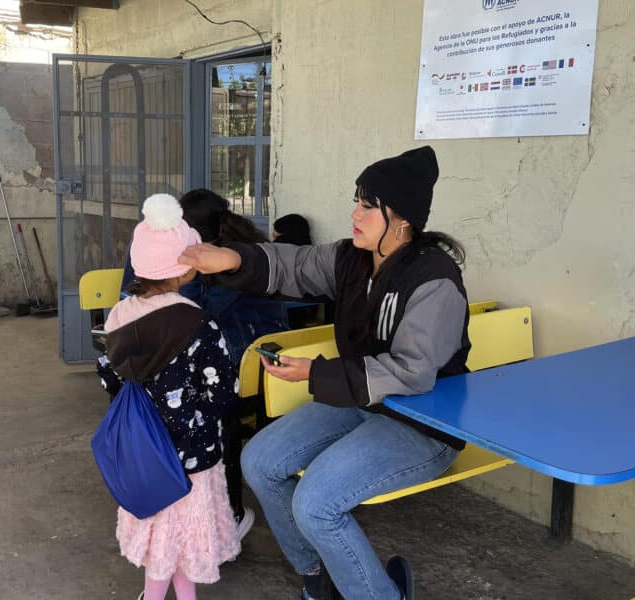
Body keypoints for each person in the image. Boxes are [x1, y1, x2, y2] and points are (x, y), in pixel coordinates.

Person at [179, 146, 470, 600]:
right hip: (361, 402)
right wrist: (234, 259)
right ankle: (318, 577)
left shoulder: (435, 279)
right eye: (356, 200)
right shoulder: (351, 259)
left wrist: (316, 377)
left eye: (367, 205)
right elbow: (293, 264)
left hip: (423, 422)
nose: (354, 213)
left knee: (314, 504)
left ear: (403, 219)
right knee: (259, 461)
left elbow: (412, 373)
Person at [121, 188, 290, 540]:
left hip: (253, 366)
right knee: (167, 404)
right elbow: (140, 300)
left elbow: (194, 319)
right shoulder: (185, 257)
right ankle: (179, 505)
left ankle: (226, 515)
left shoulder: (233, 263)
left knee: (203, 418)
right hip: (230, 357)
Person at [97, 194, 240, 600]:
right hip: (193, 457)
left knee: (164, 538)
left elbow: (107, 375)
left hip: (142, 452)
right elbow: (222, 391)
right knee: (182, 539)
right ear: (183, 269)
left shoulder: (119, 315)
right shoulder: (199, 323)